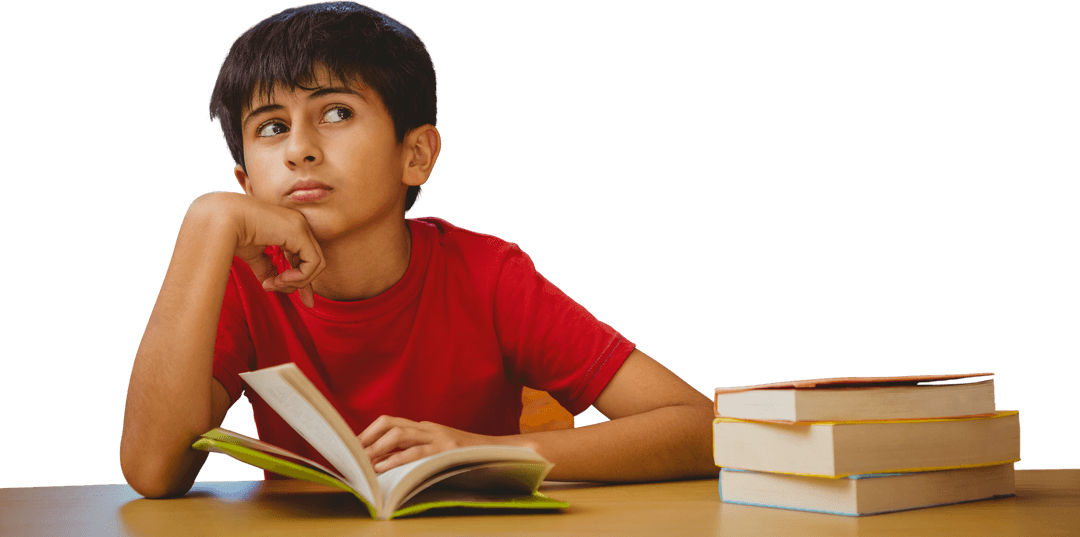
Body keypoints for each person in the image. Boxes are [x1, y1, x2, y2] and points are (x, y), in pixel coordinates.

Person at [119, 1, 716, 499]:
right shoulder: (240, 280)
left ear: (416, 155)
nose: (299, 149)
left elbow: (703, 429)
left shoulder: (488, 276)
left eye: (336, 112)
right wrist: (207, 223)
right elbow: (152, 472)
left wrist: (480, 453)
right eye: (271, 127)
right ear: (246, 183)